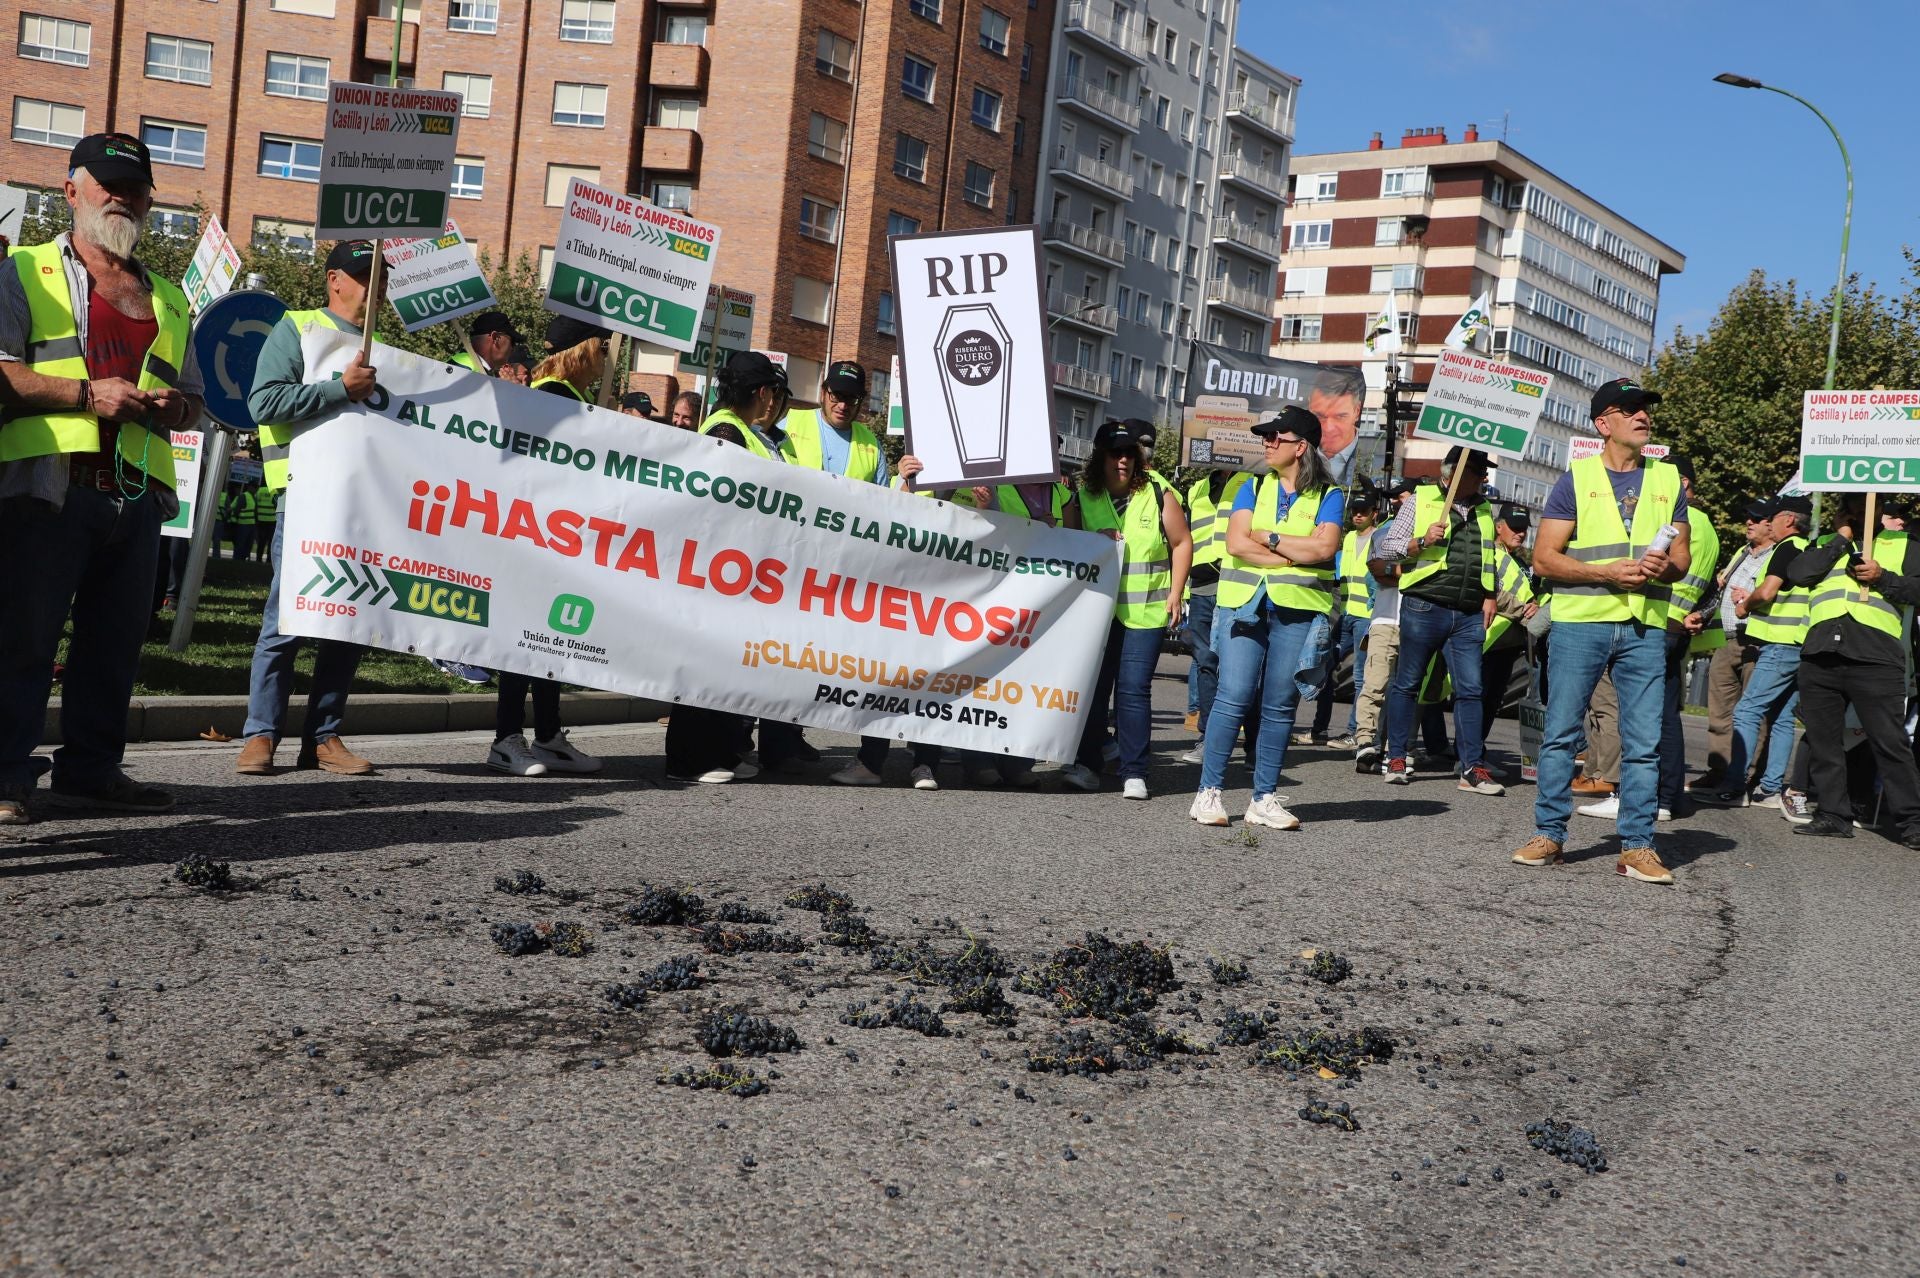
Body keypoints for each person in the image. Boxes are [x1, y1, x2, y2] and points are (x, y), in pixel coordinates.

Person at [0, 132, 201, 823]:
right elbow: (1, 370)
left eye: (134, 187)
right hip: (47, 488)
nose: (121, 196)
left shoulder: (171, 298)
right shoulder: (22, 270)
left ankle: (90, 771)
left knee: (113, 647)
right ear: (71, 190)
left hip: (138, 497)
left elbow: (195, 400)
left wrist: (180, 407)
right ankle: (4, 780)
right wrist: (89, 395)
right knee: (23, 640)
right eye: (106, 182)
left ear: (150, 200)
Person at [1511, 378, 1688, 885]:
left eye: (1645, 409)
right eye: (1629, 409)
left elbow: (1681, 559)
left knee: (1643, 741)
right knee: (1562, 734)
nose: (1642, 416)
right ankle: (1549, 834)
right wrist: (1607, 572)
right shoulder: (1575, 478)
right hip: (1580, 624)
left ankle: (1637, 847)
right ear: (1603, 423)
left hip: (1644, 628)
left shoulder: (1667, 479)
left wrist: (1664, 570)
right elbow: (1544, 558)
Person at [237, 240, 387, 778]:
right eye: (364, 275)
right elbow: (264, 402)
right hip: (302, 497)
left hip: (361, 505)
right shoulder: (296, 328)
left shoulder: (385, 350)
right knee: (286, 619)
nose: (376, 287)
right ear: (334, 280)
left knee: (347, 623)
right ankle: (261, 735)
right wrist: (338, 389)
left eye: (382, 277)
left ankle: (324, 737)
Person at [1190, 406, 1342, 827]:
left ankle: (1264, 799)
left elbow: (1325, 550)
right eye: (1267, 436)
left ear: (1301, 447)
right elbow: (1236, 543)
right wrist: (1291, 554)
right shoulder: (1253, 486)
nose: (1268, 442)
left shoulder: (1329, 496)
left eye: (1277, 436)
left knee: (1279, 706)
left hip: (1298, 609)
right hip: (1244, 603)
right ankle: (1209, 793)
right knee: (1233, 697)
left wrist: (1270, 537)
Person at [482, 314, 614, 777]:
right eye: (601, 349)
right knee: (524, 637)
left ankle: (549, 736)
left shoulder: (568, 396)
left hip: (560, 538)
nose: (605, 360)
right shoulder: (552, 397)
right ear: (580, 351)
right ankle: (506, 738)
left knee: (552, 638)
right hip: (537, 537)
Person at [667, 350, 791, 782]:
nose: (772, 402)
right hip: (721, 567)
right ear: (761, 393)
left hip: (743, 568)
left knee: (727, 664)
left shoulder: (746, 431)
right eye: (771, 393)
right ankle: (688, 759)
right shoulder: (726, 431)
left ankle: (722, 748)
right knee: (703, 662)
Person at [1577, 456, 1719, 823]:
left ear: (1682, 482)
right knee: (1663, 714)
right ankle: (1665, 797)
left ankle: (1644, 795)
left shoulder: (1684, 519)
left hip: (1655, 618)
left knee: (1640, 715)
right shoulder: (1708, 526)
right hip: (1676, 623)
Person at [775, 361, 895, 786]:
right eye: (837, 395)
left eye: (853, 398)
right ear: (824, 391)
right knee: (783, 655)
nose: (844, 404)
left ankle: (791, 738)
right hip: (792, 563)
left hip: (844, 572)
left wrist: (908, 485)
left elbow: (886, 507)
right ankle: (778, 743)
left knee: (816, 659)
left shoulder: (869, 444)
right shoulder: (793, 423)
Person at [1786, 491, 1920, 846]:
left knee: (1889, 743)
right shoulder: (1824, 544)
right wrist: (1841, 540)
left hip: (1876, 655)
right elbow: (1799, 574)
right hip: (1821, 652)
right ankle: (1833, 814)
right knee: (1823, 741)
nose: (1856, 512)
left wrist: (1883, 578)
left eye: (1864, 506)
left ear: (1878, 509)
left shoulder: (1904, 544)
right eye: (1849, 506)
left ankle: (1913, 823)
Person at [1068, 419, 1192, 798]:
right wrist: (1094, 538)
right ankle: (1086, 765)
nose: (1122, 460)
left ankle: (1134, 771)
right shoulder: (1082, 494)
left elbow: (1182, 542)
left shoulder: (1158, 491)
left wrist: (1177, 592)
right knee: (1093, 689)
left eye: (1128, 453)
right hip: (1097, 613)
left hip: (1146, 611)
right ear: (1100, 457)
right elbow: (1067, 544)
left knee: (1133, 691)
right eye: (1114, 453)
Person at [1372, 446, 1504, 795]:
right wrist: (1420, 541)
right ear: (1452, 474)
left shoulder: (1485, 509)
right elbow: (1386, 547)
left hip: (1469, 612)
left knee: (1471, 690)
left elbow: (1488, 557)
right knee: (1408, 683)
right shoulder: (1422, 499)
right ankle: (1397, 756)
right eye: (1477, 470)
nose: (1484, 477)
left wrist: (1490, 594)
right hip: (1424, 605)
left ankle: (1472, 768)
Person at [1712, 496, 1812, 807]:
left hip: (1780, 642)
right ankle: (1769, 790)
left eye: (1774, 517)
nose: (1768, 523)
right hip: (1798, 642)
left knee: (1746, 710)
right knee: (1782, 718)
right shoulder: (1807, 549)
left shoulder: (1787, 547)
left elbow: (1768, 592)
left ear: (1789, 521)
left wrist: (1745, 605)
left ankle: (1734, 785)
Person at [1688, 499, 1778, 793]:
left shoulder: (1778, 555)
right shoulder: (1742, 553)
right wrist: (1701, 614)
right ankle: (1719, 770)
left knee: (1755, 712)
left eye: (1757, 518)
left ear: (1772, 523)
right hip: (1725, 639)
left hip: (1757, 640)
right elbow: (1721, 591)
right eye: (1748, 517)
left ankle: (1748, 775)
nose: (1749, 522)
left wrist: (1750, 596)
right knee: (1719, 711)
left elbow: (1771, 594)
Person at [1181, 467, 1257, 754]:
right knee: (1205, 663)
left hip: (1236, 581)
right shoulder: (1197, 487)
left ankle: (1253, 744)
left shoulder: (1252, 480)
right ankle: (1209, 740)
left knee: (1244, 666)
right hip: (1201, 587)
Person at [1299, 486, 1381, 749]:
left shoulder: (1379, 539)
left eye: (1363, 511)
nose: (1357, 515)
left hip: (1366, 618)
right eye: (1354, 511)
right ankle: (1319, 730)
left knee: (1360, 676)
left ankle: (1353, 733)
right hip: (1344, 615)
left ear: (1374, 513)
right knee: (1326, 670)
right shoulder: (1347, 540)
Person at [1478, 503, 1538, 771]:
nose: (1520, 533)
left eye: (1524, 529)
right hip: (1487, 638)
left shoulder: (1522, 562)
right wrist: (1524, 611)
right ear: (1498, 526)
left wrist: (1535, 605)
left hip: (1509, 643)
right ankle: (1467, 754)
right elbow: (1489, 592)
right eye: (1515, 528)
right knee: (1477, 696)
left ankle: (1475, 751)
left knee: (1493, 698)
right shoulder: (1488, 553)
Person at [1307, 366, 1365, 486]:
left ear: (1357, 411)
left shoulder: (1370, 457)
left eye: (1340, 417)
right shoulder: (1297, 451)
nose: (1328, 428)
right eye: (1319, 416)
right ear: (1309, 407)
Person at [453, 311, 520, 377]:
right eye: (512, 341)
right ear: (495, 338)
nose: (513, 348)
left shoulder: (473, 369)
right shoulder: (465, 370)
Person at [224, 478, 256, 561]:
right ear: (250, 487)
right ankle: (237, 559)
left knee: (248, 544)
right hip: (243, 524)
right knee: (240, 544)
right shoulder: (244, 496)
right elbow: (236, 510)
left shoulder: (253, 497)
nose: (256, 490)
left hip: (250, 525)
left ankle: (243, 558)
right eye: (255, 488)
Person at [252, 479, 276, 562]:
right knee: (271, 543)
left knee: (261, 542)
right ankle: (269, 560)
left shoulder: (260, 491)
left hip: (261, 520)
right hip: (272, 521)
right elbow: (276, 504)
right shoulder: (274, 491)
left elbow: (255, 503)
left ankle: (258, 559)